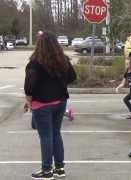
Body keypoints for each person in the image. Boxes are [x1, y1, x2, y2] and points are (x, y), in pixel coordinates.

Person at [24, 31, 76, 179]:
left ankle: (47, 170)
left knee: (46, 136)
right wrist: (59, 82)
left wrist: (28, 101)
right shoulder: (63, 60)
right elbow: (73, 77)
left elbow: (29, 86)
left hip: (41, 104)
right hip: (60, 102)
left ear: (39, 44)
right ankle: (59, 168)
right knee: (56, 133)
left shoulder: (34, 63)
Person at [116, 52, 131, 119]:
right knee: (125, 99)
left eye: (127, 64)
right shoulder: (127, 72)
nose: (126, 65)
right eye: (125, 64)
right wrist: (118, 87)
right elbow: (123, 83)